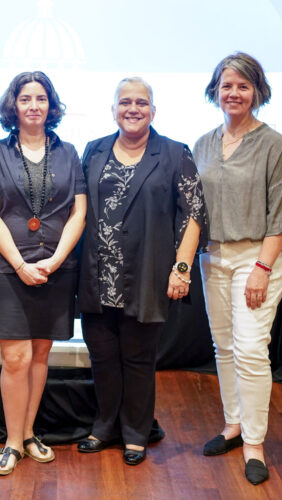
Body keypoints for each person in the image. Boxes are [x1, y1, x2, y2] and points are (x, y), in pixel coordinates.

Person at [77, 77, 206, 466]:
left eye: (142, 103)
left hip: (148, 273)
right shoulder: (94, 150)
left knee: (137, 358)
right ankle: (104, 426)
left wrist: (181, 269)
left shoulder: (174, 153)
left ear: (154, 110)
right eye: (125, 102)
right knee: (102, 356)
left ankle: (135, 432)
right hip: (97, 276)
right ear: (113, 108)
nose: (133, 109)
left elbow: (193, 213)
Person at [192, 52, 282, 485]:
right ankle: (233, 425)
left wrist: (261, 267)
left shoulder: (273, 144)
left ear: (257, 91)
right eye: (227, 85)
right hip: (212, 258)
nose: (233, 92)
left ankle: (254, 442)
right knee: (224, 347)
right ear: (215, 90)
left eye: (243, 85)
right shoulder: (202, 144)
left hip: (259, 258)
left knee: (252, 349)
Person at [0, 72, 87, 475]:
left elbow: (79, 212)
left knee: (41, 354)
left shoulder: (69, 152)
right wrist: (21, 265)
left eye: (41, 98)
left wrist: (54, 261)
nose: (34, 105)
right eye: (26, 99)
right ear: (14, 105)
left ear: (51, 105)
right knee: (16, 357)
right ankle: (9, 442)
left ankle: (27, 434)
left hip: (57, 269)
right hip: (8, 270)